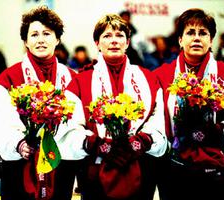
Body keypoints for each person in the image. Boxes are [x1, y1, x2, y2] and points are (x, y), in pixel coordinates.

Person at [60, 13, 167, 200]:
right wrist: (99, 145)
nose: (114, 41)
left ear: (127, 42)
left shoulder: (149, 78)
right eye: (107, 36)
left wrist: (139, 142)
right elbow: (71, 127)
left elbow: (158, 122)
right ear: (97, 43)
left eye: (119, 35)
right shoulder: (79, 81)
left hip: (140, 170)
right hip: (95, 172)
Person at [0, 6, 76, 200]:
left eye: (47, 33)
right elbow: (2, 122)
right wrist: (19, 144)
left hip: (59, 164)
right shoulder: (9, 77)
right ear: (26, 41)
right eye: (34, 34)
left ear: (57, 39)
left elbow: (77, 121)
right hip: (21, 164)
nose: (40, 39)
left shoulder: (71, 77)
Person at [154, 8, 224, 200]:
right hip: (174, 168)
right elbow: (156, 120)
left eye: (203, 33)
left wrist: (220, 131)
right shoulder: (161, 76)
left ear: (211, 40)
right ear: (180, 39)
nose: (197, 38)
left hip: (220, 168)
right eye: (190, 32)